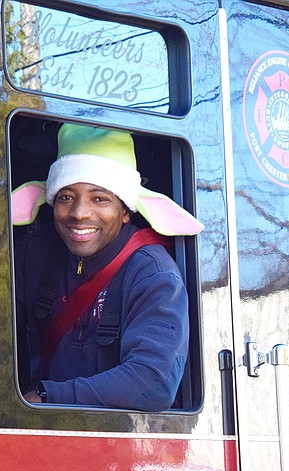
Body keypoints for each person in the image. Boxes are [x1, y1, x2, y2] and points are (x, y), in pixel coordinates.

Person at [12, 123, 204, 410]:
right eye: (66, 197)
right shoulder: (36, 255)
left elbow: (154, 383)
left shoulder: (152, 273)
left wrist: (47, 397)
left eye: (99, 198)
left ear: (125, 210)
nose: (79, 213)